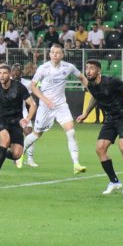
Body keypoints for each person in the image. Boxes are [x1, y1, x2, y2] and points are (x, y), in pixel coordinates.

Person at [76, 60, 123, 195]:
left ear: (98, 70)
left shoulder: (111, 82)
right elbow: (95, 97)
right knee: (100, 149)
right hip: (110, 119)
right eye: (87, 68)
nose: (88, 71)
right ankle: (114, 181)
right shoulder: (91, 85)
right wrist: (85, 113)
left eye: (92, 68)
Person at [25, 44, 90, 174]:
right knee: (37, 134)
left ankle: (76, 164)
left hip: (61, 106)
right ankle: (19, 152)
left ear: (62, 55)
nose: (55, 55)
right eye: (53, 52)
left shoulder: (69, 67)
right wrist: (45, 100)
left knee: (71, 132)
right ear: (49, 55)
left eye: (58, 53)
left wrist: (92, 89)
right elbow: (33, 86)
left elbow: (82, 77)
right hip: (45, 107)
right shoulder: (43, 68)